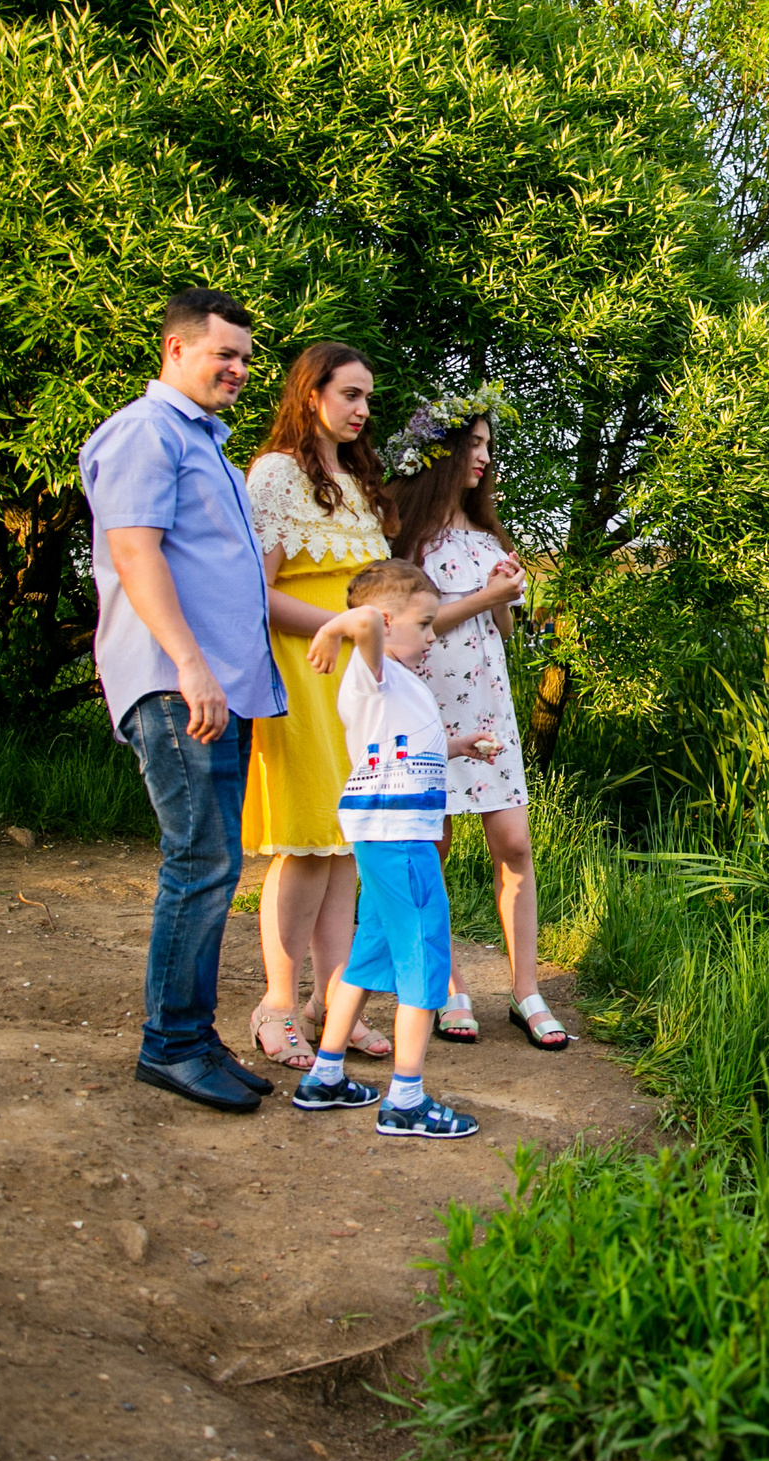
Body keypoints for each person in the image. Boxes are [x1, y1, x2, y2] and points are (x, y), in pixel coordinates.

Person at [79, 288, 285, 1114]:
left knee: (215, 863)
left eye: (243, 357)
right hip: (177, 685)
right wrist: (191, 666)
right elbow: (135, 553)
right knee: (199, 861)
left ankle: (194, 1035)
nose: (236, 369)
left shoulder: (209, 446)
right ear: (175, 350)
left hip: (214, 687)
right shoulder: (146, 430)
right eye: (221, 354)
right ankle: (168, 1044)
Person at [384, 387, 566, 1050]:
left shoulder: (486, 534)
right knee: (434, 845)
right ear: (442, 452)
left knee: (514, 844)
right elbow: (415, 622)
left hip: (490, 707)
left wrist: (507, 591)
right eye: (475, 444)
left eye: (490, 446)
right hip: (427, 706)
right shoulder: (405, 533)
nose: (485, 457)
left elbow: (504, 628)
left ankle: (525, 989)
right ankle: (448, 981)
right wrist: (488, 591)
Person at [239, 342, 402, 1071]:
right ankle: (275, 1006)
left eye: (369, 399)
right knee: (306, 843)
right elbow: (254, 589)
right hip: (302, 670)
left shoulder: (359, 481)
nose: (364, 411)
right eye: (351, 396)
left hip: (359, 682)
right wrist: (338, 627)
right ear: (312, 395)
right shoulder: (275, 474)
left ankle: (333, 1003)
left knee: (346, 849)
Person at [291, 559, 490, 1137]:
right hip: (400, 837)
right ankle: (406, 1098)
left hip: (387, 834)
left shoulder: (399, 681)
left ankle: (325, 1076)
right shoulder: (370, 666)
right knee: (425, 956)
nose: (432, 635)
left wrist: (458, 745)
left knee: (369, 953)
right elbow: (368, 626)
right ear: (381, 621)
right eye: (425, 623)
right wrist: (335, 626)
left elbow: (404, 746)